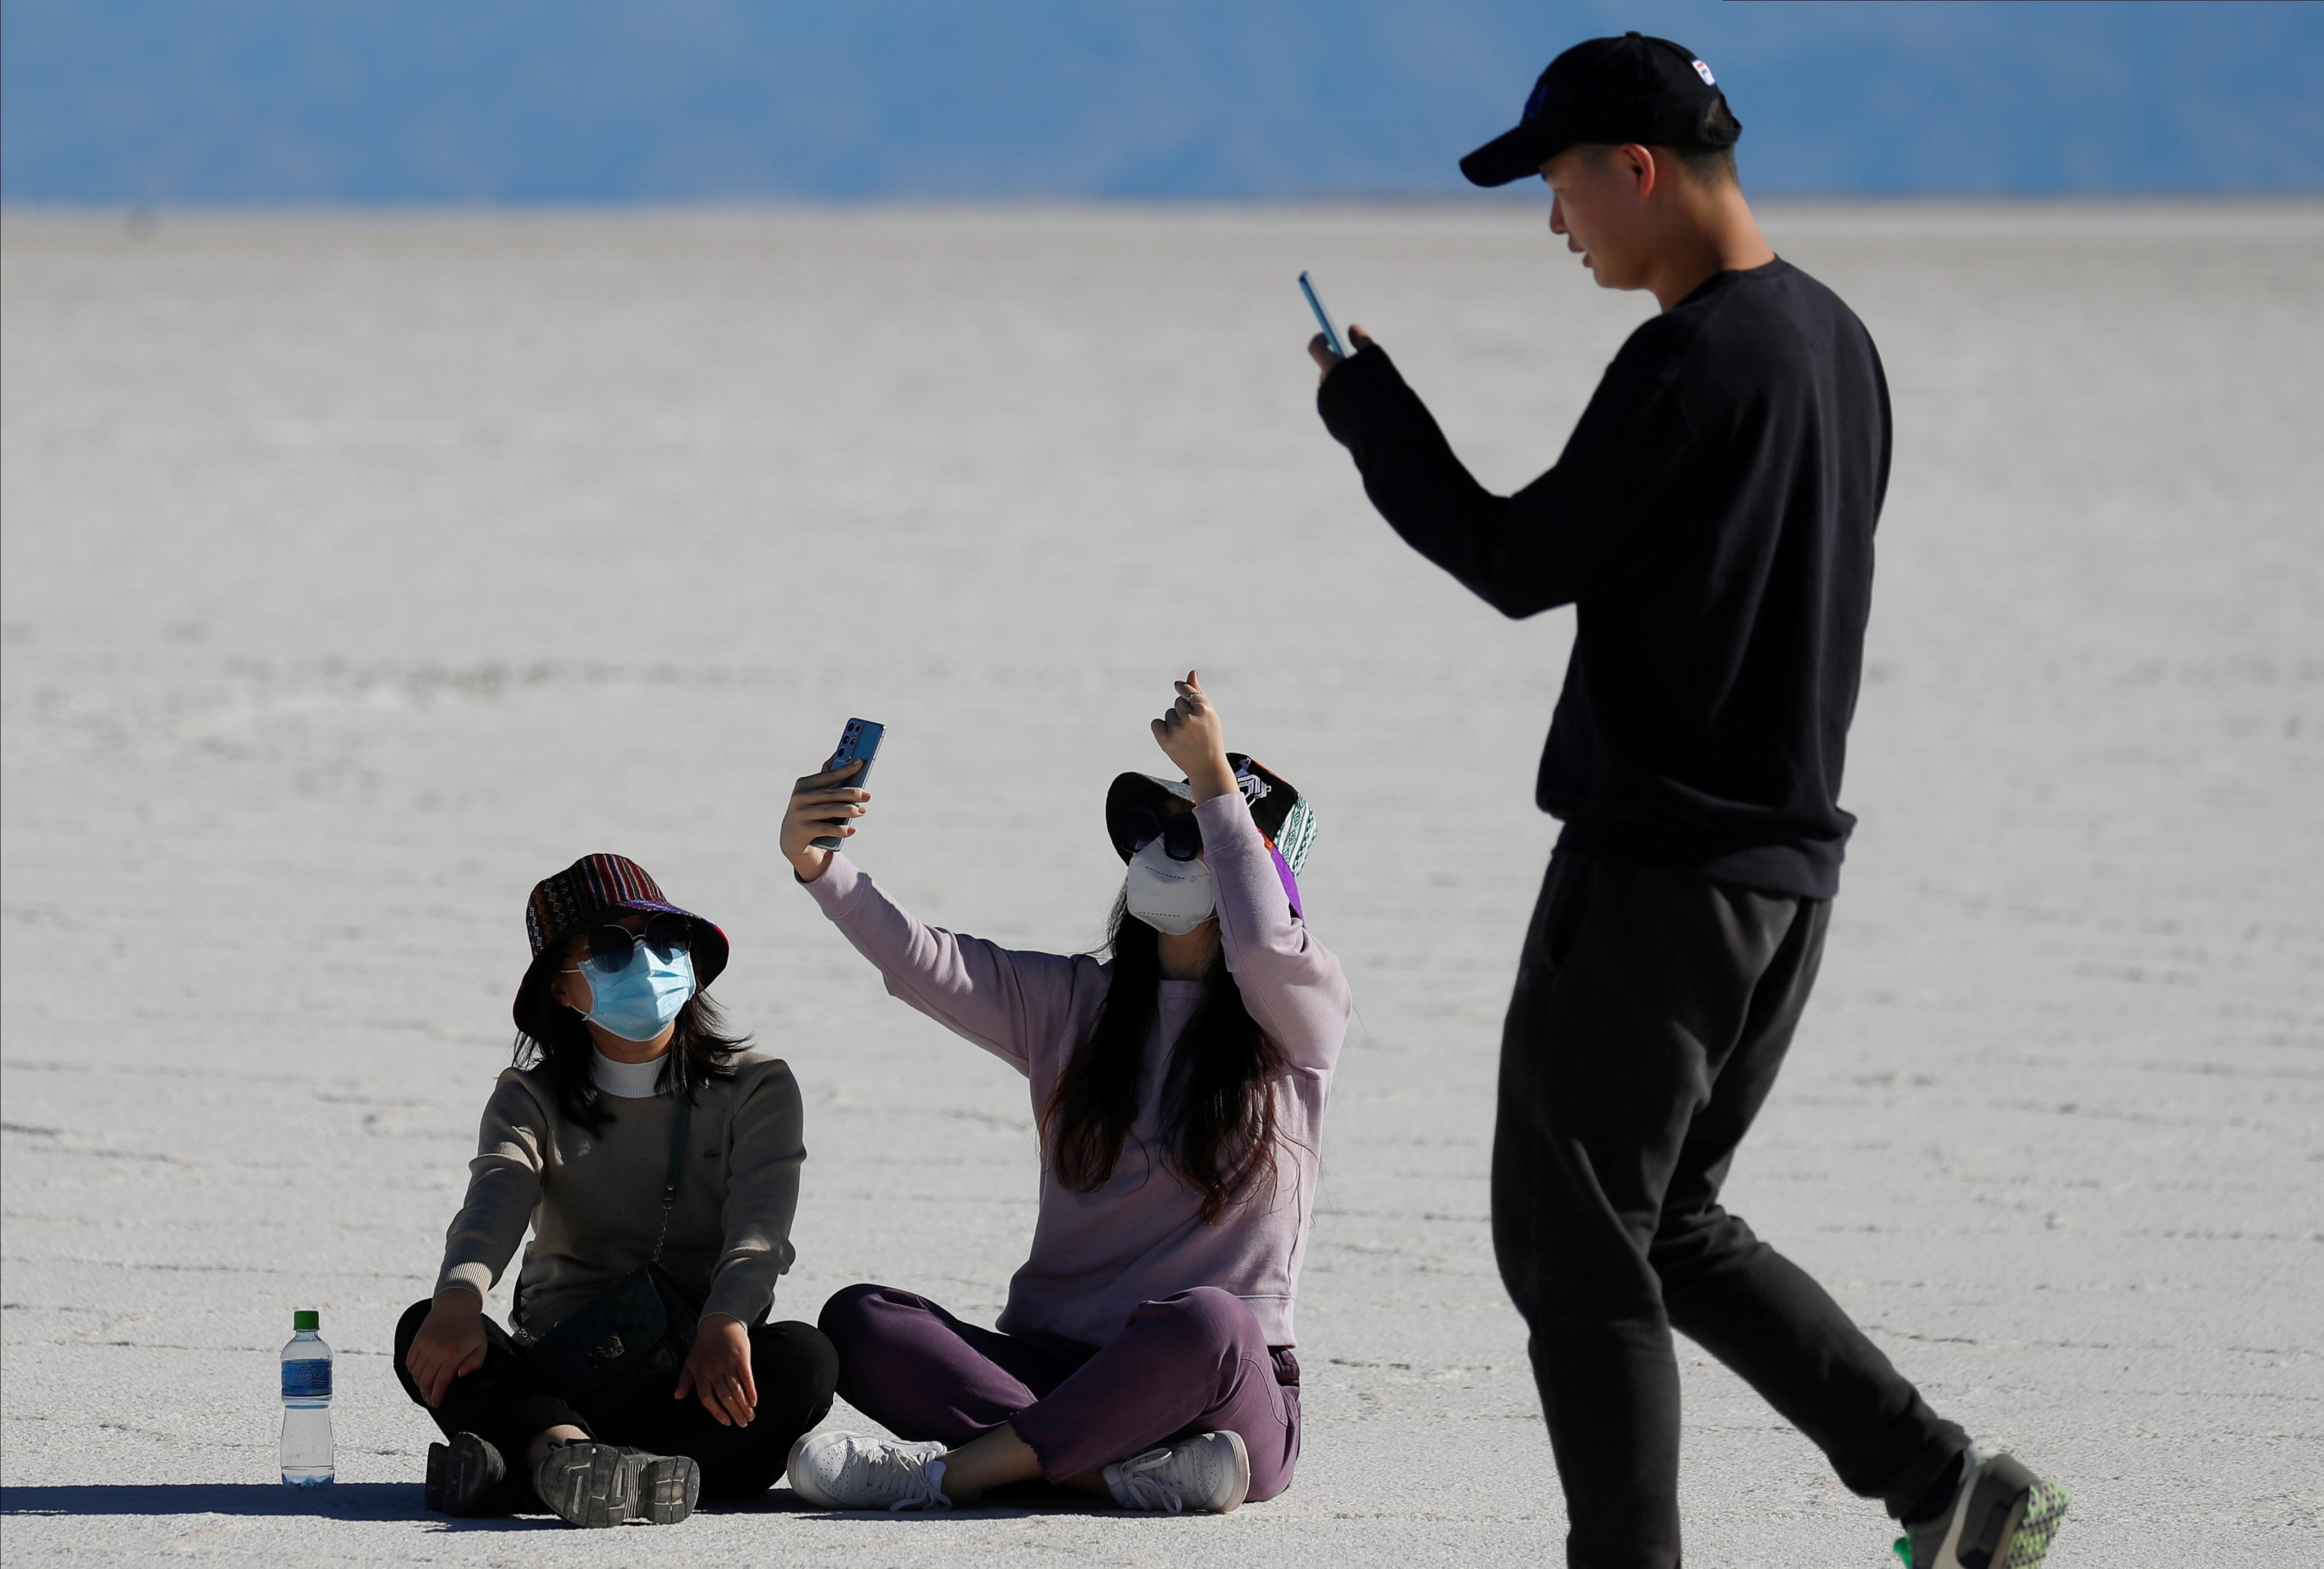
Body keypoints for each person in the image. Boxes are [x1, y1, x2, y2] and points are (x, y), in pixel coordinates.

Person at [1307, 33, 2066, 1569]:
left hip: (1660, 873)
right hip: (1784, 882)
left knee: (1573, 1242)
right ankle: (1942, 1486)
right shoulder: (1834, 343)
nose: (1551, 224)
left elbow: (1519, 564)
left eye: (1556, 186)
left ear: (1632, 170)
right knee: (1664, 1224)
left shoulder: (1692, 356)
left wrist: (1367, 413)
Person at [777, 672, 1346, 1515]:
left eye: (1193, 833)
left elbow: (1262, 943)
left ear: (1250, 867)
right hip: (1056, 1366)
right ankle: (1105, 1473)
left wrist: (1218, 784)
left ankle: (950, 1476)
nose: (1160, 847)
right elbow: (925, 962)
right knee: (863, 1321)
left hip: (1216, 1392)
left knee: (1209, 1323)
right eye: (1152, 827)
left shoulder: (1297, 1018)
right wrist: (818, 865)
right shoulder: (1077, 1005)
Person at [395, 854, 838, 1527]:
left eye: (664, 941)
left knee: (806, 1360)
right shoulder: (529, 1097)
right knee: (423, 1328)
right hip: (562, 1368)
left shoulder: (758, 1086)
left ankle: (531, 1467)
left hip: (694, 1371)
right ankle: (580, 1460)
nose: (648, 963)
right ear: (562, 991)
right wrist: (459, 1297)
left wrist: (727, 1320)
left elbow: (761, 1226)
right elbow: (496, 1197)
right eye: (608, 948)